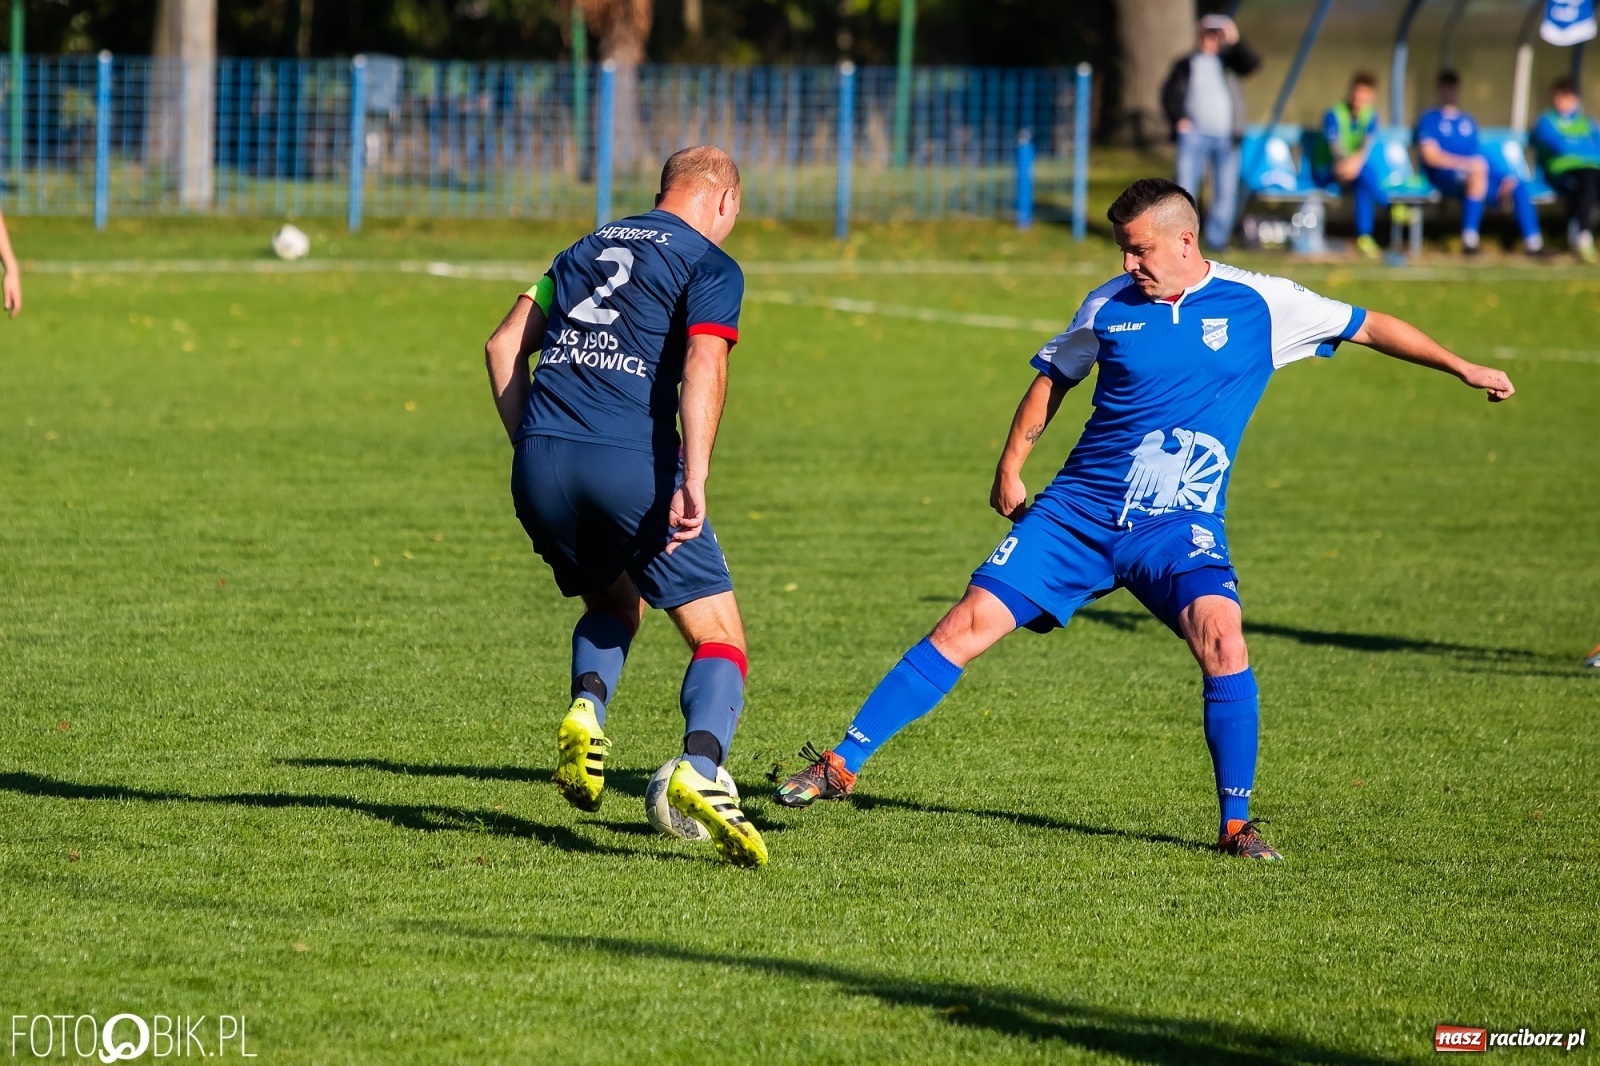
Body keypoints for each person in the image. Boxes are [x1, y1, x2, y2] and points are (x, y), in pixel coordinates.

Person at [773, 178, 1515, 861]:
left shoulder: (1261, 304)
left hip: (1177, 525)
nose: (1130, 262)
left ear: (1185, 241)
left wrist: (1464, 367)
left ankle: (1235, 824)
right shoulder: (1107, 306)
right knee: (965, 624)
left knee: (1223, 637)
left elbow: (1370, 324)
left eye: (1141, 247)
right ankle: (842, 764)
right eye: (1123, 249)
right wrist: (1010, 466)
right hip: (1077, 515)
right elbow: (1051, 381)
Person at [483, 146, 766, 868]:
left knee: (617, 602)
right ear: (726, 202)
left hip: (540, 461)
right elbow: (706, 360)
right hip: (630, 467)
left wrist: (534, 445)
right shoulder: (708, 263)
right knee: (720, 639)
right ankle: (703, 771)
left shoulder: (585, 245)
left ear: (662, 189)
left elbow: (501, 347)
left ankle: (587, 709)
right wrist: (694, 475)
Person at [1415, 70, 1543, 255]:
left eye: (1453, 87)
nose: (1450, 92)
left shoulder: (1467, 120)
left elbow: (1479, 154)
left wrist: (1501, 176)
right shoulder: (1430, 119)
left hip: (1474, 172)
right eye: (1446, 87)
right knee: (1476, 175)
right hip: (1445, 174)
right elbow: (1431, 157)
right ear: (1439, 90)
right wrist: (1466, 164)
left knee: (1516, 184)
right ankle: (1469, 240)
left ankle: (1534, 244)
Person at [1161, 13, 1260, 250]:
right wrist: (1178, 119)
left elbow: (1253, 64)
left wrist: (1234, 39)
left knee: (1225, 191)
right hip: (1194, 136)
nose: (1212, 38)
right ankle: (1183, 240)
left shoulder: (1229, 63)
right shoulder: (1186, 63)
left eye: (1217, 34)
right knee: (1184, 190)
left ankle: (1217, 241)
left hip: (1227, 137)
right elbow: (1169, 94)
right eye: (1208, 33)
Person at [1315, 72, 1389, 260]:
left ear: (1371, 97)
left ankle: (1364, 236)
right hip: (1327, 169)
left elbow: (1365, 147)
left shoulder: (1370, 116)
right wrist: (1347, 165)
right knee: (1365, 176)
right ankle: (1387, 205)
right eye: (1357, 94)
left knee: (1364, 179)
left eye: (1364, 96)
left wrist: (1353, 166)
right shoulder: (1334, 114)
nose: (1359, 100)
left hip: (1354, 170)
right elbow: (1335, 148)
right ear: (1351, 92)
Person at [1530, 75, 1600, 263]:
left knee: (1591, 180)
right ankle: (1584, 238)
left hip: (1592, 170)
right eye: (1561, 96)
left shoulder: (1586, 122)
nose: (1565, 101)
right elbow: (1559, 147)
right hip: (1562, 172)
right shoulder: (1546, 121)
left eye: (1569, 96)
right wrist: (1584, 146)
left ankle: (1585, 236)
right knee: (1587, 183)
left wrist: (1576, 145)